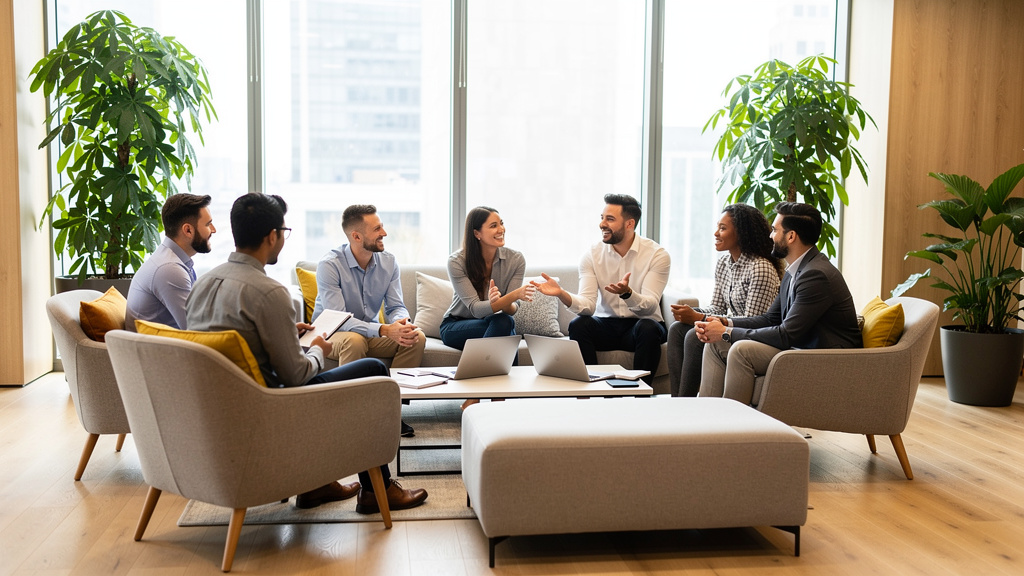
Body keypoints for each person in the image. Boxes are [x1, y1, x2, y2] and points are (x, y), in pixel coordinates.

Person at [186, 193, 427, 513]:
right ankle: (375, 489)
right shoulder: (269, 292)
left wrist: (289, 334)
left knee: (367, 364)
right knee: (372, 371)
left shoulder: (204, 282)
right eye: (284, 232)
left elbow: (241, 343)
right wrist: (316, 349)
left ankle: (316, 485)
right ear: (272, 236)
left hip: (226, 409)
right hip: (273, 407)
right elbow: (297, 374)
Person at [694, 201, 861, 405]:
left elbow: (786, 334)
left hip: (824, 359)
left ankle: (735, 429)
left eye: (775, 230)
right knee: (716, 343)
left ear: (791, 236)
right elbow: (770, 318)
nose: (770, 236)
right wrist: (724, 324)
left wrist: (727, 333)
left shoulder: (815, 275)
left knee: (740, 349)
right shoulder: (796, 270)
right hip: (801, 349)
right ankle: (707, 420)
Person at [313, 204, 426, 437]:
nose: (384, 233)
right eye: (377, 229)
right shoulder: (329, 265)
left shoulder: (389, 262)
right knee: (354, 341)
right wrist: (384, 329)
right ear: (356, 236)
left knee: (416, 337)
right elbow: (339, 319)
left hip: (370, 332)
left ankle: (391, 411)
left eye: (382, 226)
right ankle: (347, 416)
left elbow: (395, 306)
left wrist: (402, 323)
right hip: (332, 334)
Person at [531, 194, 670, 384]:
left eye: (610, 219)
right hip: (608, 326)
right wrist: (561, 294)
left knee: (648, 328)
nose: (602, 224)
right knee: (579, 324)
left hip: (642, 325)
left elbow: (650, 306)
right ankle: (591, 390)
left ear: (629, 224)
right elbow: (588, 306)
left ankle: (640, 395)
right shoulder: (592, 254)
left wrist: (628, 294)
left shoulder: (657, 255)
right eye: (602, 217)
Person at [666, 204, 783, 396]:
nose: (715, 233)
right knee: (678, 330)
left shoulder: (760, 268)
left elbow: (753, 321)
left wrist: (700, 318)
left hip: (749, 337)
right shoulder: (724, 263)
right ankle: (677, 399)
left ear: (742, 233)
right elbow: (718, 307)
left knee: (693, 337)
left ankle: (685, 404)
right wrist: (694, 313)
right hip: (729, 327)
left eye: (722, 228)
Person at [439, 206, 535, 350]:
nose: (501, 229)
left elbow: (511, 309)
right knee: (506, 326)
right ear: (477, 233)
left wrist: (502, 302)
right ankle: (503, 371)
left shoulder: (516, 260)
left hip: (493, 322)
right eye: (493, 226)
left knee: (504, 321)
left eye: (501, 223)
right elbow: (476, 309)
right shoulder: (457, 261)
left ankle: (483, 370)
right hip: (456, 326)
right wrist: (514, 295)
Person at [125, 193, 216, 331]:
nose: (213, 230)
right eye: (208, 224)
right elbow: (197, 330)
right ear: (188, 230)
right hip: (160, 351)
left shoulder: (173, 261)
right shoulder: (169, 269)